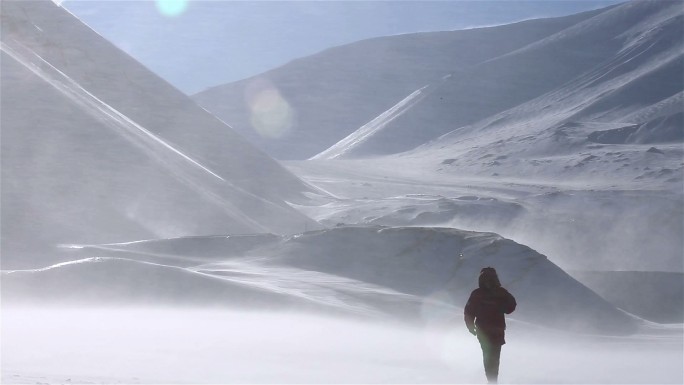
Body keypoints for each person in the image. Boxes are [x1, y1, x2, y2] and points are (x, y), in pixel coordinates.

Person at [464, 267, 517, 384]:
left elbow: (469, 311)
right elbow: (511, 306)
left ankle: (492, 380)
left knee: (489, 356)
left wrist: (470, 327)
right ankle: (493, 380)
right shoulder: (500, 292)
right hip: (494, 331)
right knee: (493, 356)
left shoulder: (479, 293)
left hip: (485, 330)